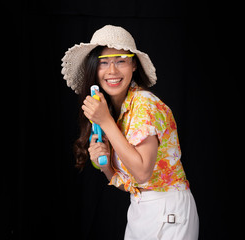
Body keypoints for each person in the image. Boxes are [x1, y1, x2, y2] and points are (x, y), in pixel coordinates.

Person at [61, 25, 199, 240]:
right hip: (140, 209)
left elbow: (143, 173)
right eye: (103, 63)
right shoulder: (119, 112)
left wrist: (105, 122)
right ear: (93, 69)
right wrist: (106, 167)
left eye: (120, 61)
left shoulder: (143, 104)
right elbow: (134, 184)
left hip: (168, 208)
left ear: (133, 65)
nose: (112, 71)